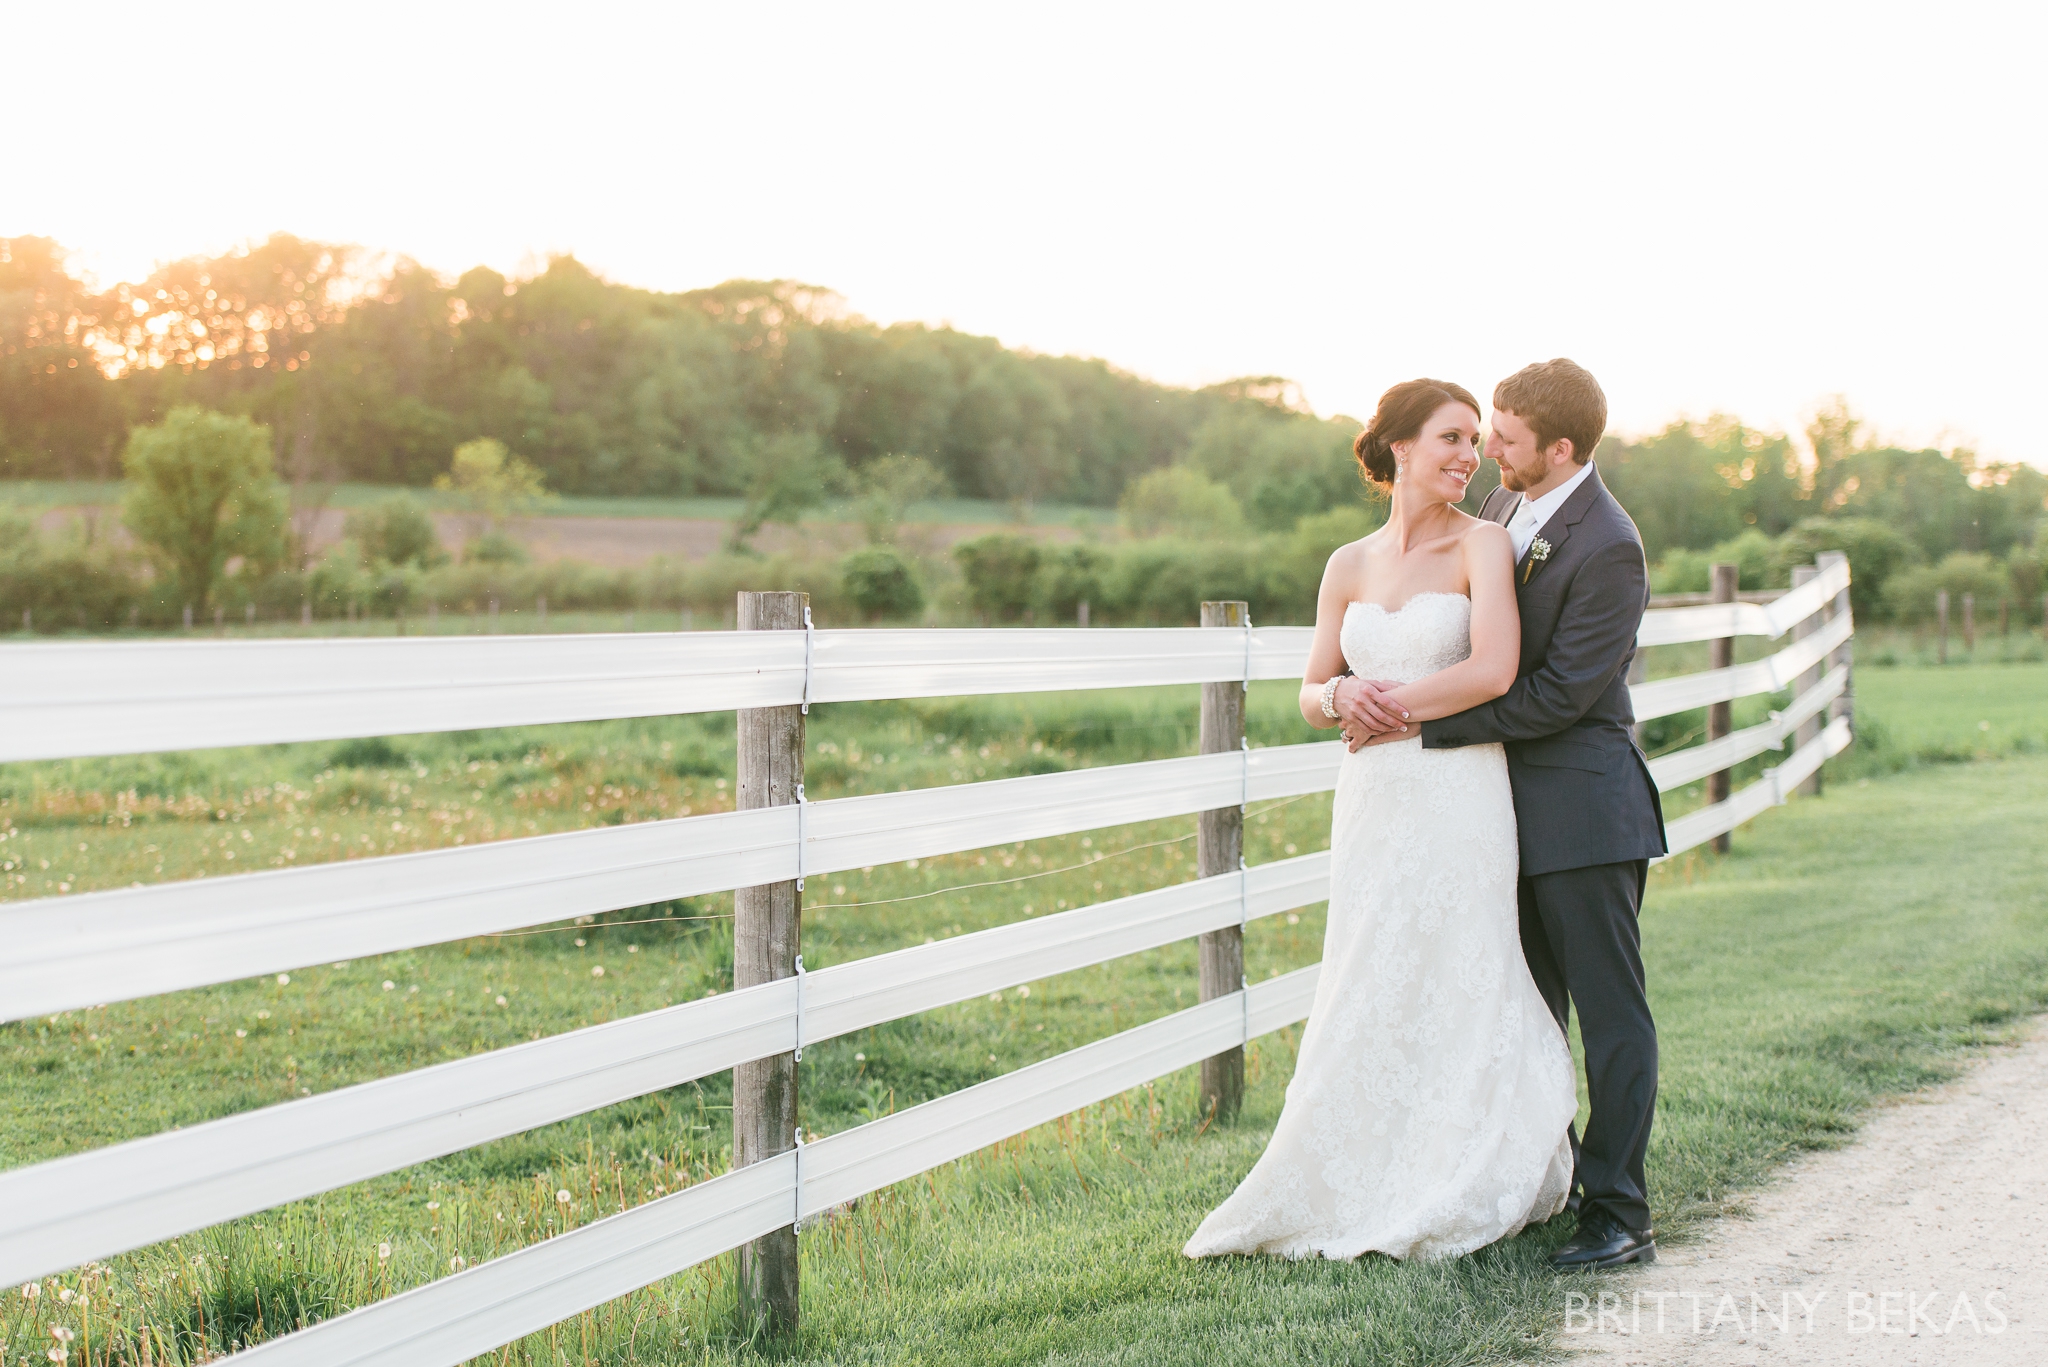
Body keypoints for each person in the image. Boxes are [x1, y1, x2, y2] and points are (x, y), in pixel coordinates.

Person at [1183, 377, 1578, 1262]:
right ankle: (1356, 1171)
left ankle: (1461, 1163)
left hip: (1457, 789)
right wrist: (1338, 696)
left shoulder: (1483, 544)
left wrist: (1388, 706)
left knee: (1459, 959)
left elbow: (1494, 670)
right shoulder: (1347, 564)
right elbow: (1309, 689)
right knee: (1371, 965)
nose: (1471, 456)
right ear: (1400, 445)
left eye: (1475, 440)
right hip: (1372, 798)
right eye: (1451, 438)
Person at [1338, 358, 1666, 1270]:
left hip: (1582, 807)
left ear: (1558, 449)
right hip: (1488, 811)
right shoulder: (1499, 511)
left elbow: (1561, 693)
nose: (1489, 455)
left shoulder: (1610, 544)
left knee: (1609, 1013)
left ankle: (1620, 1210)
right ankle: (1530, 1179)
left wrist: (1419, 723)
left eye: (1507, 441)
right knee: (1517, 1010)